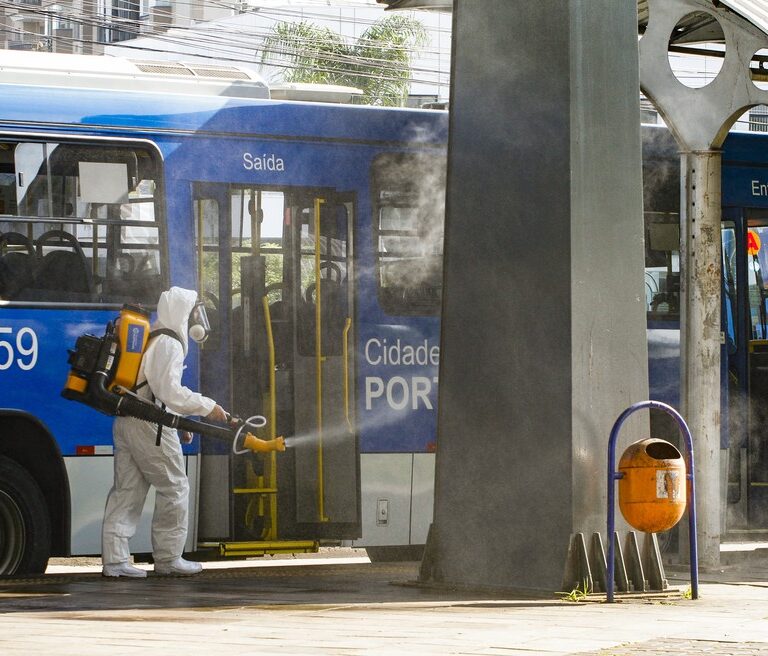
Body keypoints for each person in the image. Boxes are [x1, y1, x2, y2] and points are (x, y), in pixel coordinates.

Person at [101, 287, 228, 578]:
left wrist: (179, 420)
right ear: (183, 313)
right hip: (149, 425)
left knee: (127, 492)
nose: (199, 319)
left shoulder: (151, 337)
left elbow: (152, 387)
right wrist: (206, 407)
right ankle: (169, 557)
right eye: (196, 312)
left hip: (127, 419)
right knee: (175, 487)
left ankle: (115, 561)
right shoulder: (169, 343)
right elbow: (168, 391)